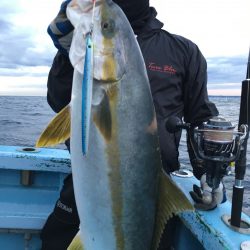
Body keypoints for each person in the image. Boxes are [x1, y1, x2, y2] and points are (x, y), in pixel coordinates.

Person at [41, 0, 220, 249]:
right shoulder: (86, 43)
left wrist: (210, 174)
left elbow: (201, 117)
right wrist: (64, 54)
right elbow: (57, 100)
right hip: (89, 182)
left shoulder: (182, 50)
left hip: (154, 192)